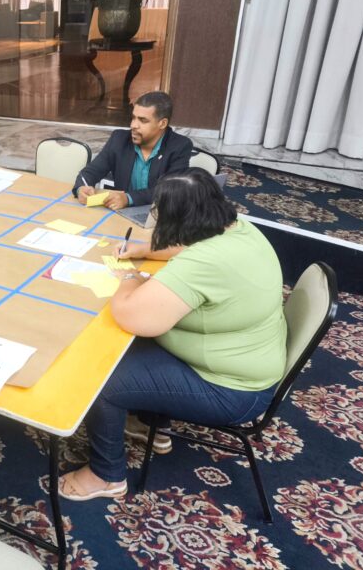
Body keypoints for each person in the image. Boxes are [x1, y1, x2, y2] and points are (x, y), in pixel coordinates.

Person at [59, 168, 287, 500]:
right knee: (126, 348)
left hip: (232, 390)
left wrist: (129, 277)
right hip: (247, 359)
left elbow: (132, 316)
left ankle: (107, 475)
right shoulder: (237, 230)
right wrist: (143, 249)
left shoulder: (206, 261)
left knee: (102, 377)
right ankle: (149, 422)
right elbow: (183, 246)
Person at [72, 91, 193, 210]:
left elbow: (172, 190)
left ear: (162, 123)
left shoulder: (179, 146)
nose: (133, 125)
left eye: (143, 120)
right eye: (133, 118)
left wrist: (129, 198)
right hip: (120, 214)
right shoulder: (119, 139)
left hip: (160, 216)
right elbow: (90, 172)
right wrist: (82, 188)